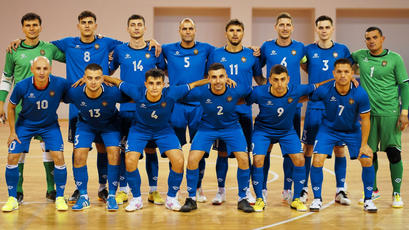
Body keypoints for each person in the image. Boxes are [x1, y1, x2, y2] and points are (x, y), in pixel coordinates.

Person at [104, 69, 209, 211]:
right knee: (130, 159)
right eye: (151, 83)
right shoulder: (137, 92)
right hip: (139, 130)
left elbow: (193, 84)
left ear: (163, 84)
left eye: (158, 83)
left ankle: (171, 198)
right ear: (145, 84)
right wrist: (103, 77)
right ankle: (136, 199)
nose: (154, 87)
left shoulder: (171, 92)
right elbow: (118, 82)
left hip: (163, 130)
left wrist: (211, 80)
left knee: (178, 160)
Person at [248, 64, 333, 212]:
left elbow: (318, 85)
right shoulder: (259, 92)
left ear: (288, 79)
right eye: (276, 80)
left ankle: (296, 200)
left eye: (282, 79)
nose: (279, 83)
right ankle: (260, 199)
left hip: (286, 131)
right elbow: (240, 97)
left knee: (300, 160)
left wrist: (341, 80)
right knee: (257, 160)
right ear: (270, 80)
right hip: (263, 131)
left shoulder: (296, 89)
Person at [0, 12, 65, 203]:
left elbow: (74, 55)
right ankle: (17, 191)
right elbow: (6, 78)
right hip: (21, 110)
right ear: (22, 28)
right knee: (17, 153)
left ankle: (51, 190)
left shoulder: (49, 49)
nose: (31, 28)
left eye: (35, 25)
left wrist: (100, 41)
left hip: (45, 111)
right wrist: (1, 102)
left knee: (49, 150)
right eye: (28, 25)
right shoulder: (13, 51)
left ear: (40, 27)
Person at [180, 63, 255, 213]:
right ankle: (191, 199)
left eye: (221, 76)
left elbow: (252, 95)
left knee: (243, 158)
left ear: (227, 77)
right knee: (193, 158)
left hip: (231, 127)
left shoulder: (237, 89)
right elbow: (177, 93)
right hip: (207, 128)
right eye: (213, 77)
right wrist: (197, 83)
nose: (218, 81)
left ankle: (242, 198)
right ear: (208, 79)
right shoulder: (201, 92)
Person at [109, 14, 166, 206]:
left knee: (151, 150)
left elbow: (164, 73)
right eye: (132, 25)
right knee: (126, 151)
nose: (136, 28)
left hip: (150, 109)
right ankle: (124, 190)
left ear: (144, 28)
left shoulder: (154, 50)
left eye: (139, 25)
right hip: (126, 108)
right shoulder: (119, 50)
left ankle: (153, 191)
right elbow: (108, 71)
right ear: (127, 28)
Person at [207, 19, 264, 205]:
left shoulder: (251, 54)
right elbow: (208, 80)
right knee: (222, 153)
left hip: (244, 111)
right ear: (226, 33)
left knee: (244, 153)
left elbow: (259, 79)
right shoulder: (216, 54)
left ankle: (245, 191)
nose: (234, 33)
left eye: (238, 30)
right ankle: (221, 191)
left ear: (243, 33)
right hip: (222, 111)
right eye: (231, 30)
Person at [308, 58, 377, 213]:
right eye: (339, 71)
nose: (342, 75)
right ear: (334, 73)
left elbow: (366, 120)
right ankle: (317, 198)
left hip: (352, 131)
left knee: (366, 159)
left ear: (352, 73)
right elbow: (306, 95)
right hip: (328, 130)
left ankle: (368, 200)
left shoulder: (360, 93)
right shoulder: (325, 89)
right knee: (317, 159)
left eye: (346, 71)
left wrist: (365, 144)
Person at [2, 56, 69, 212]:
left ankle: (59, 197)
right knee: (12, 156)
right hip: (25, 125)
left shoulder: (59, 83)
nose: (41, 72)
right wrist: (12, 131)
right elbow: (11, 107)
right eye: (38, 68)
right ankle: (12, 198)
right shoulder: (22, 86)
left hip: (49, 125)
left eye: (45, 68)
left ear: (50, 69)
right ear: (32, 70)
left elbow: (75, 91)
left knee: (58, 156)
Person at [352, 27, 409, 208]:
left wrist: (404, 112)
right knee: (370, 153)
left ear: (382, 38)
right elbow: (341, 59)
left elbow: (405, 86)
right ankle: (373, 191)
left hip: (390, 113)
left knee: (393, 153)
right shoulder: (360, 56)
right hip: (368, 115)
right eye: (367, 38)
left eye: (375, 37)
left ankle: (397, 193)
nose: (371, 41)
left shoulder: (395, 58)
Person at [63, 63, 130, 211]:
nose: (93, 82)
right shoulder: (75, 92)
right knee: (79, 153)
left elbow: (134, 95)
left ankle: (111, 195)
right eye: (90, 78)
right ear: (84, 79)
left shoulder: (112, 92)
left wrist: (115, 81)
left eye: (97, 78)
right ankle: (84, 196)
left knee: (114, 152)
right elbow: (56, 96)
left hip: (109, 125)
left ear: (103, 79)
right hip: (86, 125)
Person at [300, 15, 353, 204]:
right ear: (316, 29)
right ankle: (303, 188)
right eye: (320, 27)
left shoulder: (342, 50)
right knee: (308, 148)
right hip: (314, 106)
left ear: (332, 29)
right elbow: (304, 64)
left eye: (327, 27)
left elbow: (350, 70)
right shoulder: (308, 49)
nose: (323, 30)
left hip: (336, 107)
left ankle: (340, 190)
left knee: (339, 149)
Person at [162, 18, 215, 202]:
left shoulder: (207, 48)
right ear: (179, 30)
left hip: (199, 106)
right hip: (176, 106)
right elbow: (162, 68)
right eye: (184, 28)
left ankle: (198, 187)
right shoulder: (167, 49)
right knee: (174, 151)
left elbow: (226, 54)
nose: (187, 31)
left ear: (195, 30)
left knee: (198, 150)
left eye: (190, 28)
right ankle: (174, 189)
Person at [259, 12, 306, 203]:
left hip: (291, 107)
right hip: (270, 106)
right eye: (281, 24)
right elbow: (257, 66)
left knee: (290, 150)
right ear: (276, 27)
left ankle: (288, 188)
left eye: (288, 24)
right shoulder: (266, 47)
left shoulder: (300, 48)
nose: (285, 27)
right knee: (266, 149)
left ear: (292, 28)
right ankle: (262, 188)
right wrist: (264, 87)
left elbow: (307, 65)